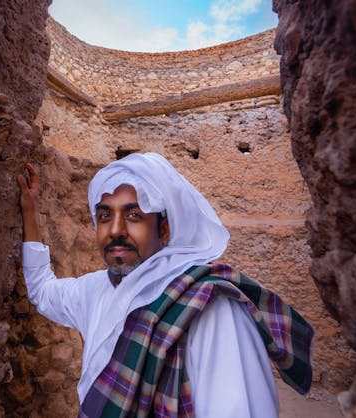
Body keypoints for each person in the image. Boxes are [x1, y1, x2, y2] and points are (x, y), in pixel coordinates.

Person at [18, 152, 313, 417]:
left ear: (164, 228)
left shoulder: (209, 307)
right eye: (105, 216)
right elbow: (42, 291)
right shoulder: (95, 289)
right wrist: (29, 213)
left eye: (134, 215)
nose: (116, 230)